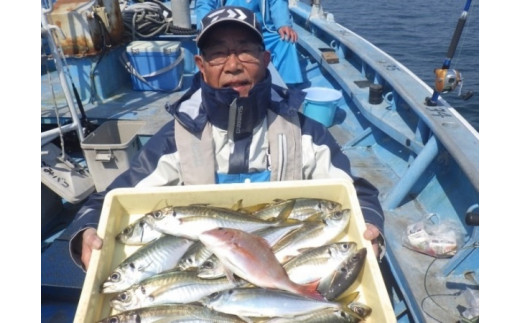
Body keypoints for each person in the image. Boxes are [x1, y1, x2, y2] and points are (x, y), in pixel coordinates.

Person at [69, 6, 385, 271]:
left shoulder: (307, 133)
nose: (233, 65)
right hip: (206, 268)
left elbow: (357, 195)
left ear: (266, 60)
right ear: (201, 67)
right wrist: (86, 229)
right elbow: (111, 199)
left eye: (245, 51)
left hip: (286, 261)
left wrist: (371, 227)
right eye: (218, 55)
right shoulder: (176, 139)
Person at [195, 0, 304, 86]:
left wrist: (283, 23)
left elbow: (277, 1)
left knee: (286, 41)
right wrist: (205, 28)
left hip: (260, 31)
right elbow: (204, 4)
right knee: (209, 46)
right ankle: (208, 84)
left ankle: (287, 87)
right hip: (225, 31)